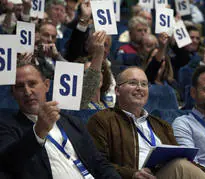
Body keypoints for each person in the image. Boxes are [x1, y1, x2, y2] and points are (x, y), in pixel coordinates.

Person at [0, 34, 120, 179]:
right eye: (19, 87)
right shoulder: (7, 125)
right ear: (12, 93)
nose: (27, 91)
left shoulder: (72, 122)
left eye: (32, 84)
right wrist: (38, 131)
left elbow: (99, 163)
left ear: (46, 85)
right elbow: (8, 163)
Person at [87, 66, 205, 179]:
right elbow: (98, 163)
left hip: (168, 174)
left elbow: (187, 162)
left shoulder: (162, 125)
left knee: (181, 163)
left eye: (144, 84)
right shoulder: (102, 120)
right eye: (133, 83)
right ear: (117, 90)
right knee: (179, 165)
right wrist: (132, 174)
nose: (139, 88)